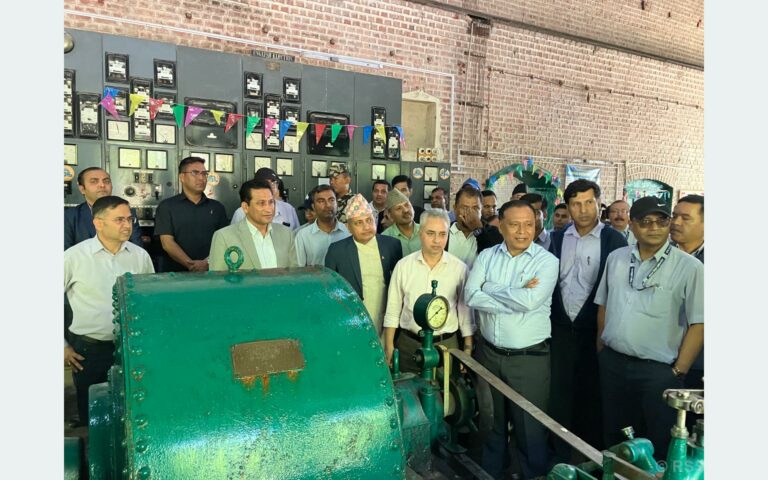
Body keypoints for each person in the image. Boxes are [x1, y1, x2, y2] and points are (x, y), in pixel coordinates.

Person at [595, 196, 704, 458]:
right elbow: (604, 305)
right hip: (613, 364)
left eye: (661, 220)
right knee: (615, 437)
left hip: (658, 373)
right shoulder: (616, 258)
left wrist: (677, 372)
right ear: (632, 224)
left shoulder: (690, 267)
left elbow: (699, 323)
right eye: (645, 221)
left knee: (656, 444)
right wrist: (602, 350)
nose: (654, 227)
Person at [464, 200, 559, 479]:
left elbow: (529, 301)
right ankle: (491, 474)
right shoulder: (487, 256)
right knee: (491, 423)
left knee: (530, 429)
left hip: (528, 360)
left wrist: (490, 288)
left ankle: (533, 475)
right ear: (501, 227)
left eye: (529, 224)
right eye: (515, 225)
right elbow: (470, 295)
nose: (522, 231)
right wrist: (513, 295)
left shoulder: (547, 261)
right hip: (489, 355)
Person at [548, 179, 627, 455]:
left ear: (599, 203)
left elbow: (617, 291)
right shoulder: (557, 239)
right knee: (559, 392)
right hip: (560, 329)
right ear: (568, 207)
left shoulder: (614, 241)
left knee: (592, 394)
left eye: (588, 203)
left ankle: (588, 455)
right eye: (576, 204)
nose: (583, 210)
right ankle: (558, 450)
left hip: (595, 331)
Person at [64, 196, 154, 426]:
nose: (127, 225)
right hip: (90, 351)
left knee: (135, 412)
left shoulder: (139, 256)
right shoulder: (74, 257)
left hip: (132, 348)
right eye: (119, 220)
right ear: (98, 223)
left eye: (129, 219)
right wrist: (62, 346)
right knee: (94, 419)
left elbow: (150, 300)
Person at [383, 209, 474, 373]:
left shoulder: (459, 269)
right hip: (409, 345)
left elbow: (466, 314)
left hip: (446, 346)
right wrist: (389, 346)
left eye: (442, 234)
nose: (437, 240)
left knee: (447, 388)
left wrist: (467, 349)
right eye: (430, 233)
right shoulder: (403, 266)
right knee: (407, 387)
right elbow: (393, 310)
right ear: (420, 233)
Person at [325, 194, 403, 343]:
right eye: (359, 223)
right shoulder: (337, 251)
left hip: (386, 321)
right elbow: (331, 293)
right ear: (348, 227)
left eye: (369, 220)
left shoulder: (392, 245)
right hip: (351, 324)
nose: (366, 227)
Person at [154, 156, 228, 272]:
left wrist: (207, 263)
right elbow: (167, 242)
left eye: (204, 174)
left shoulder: (217, 207)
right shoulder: (167, 206)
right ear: (182, 177)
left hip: (211, 274)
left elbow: (224, 241)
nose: (201, 178)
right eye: (195, 173)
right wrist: (191, 265)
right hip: (176, 275)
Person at [209, 179, 298, 271]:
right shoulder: (224, 237)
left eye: (271, 202)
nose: (269, 209)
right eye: (261, 203)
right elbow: (218, 278)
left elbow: (294, 274)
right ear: (245, 207)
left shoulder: (286, 234)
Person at [670, 194, 704, 391]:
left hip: (698, 365)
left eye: (685, 218)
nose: (676, 222)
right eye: (674, 216)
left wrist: (680, 369)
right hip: (661, 359)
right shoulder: (662, 254)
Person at [65, 167, 142, 250]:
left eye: (106, 181)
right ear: (82, 189)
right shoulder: (69, 216)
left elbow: (136, 249)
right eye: (94, 181)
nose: (102, 185)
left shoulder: (127, 212)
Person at [294, 185, 350, 266]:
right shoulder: (303, 236)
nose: (328, 205)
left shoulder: (348, 232)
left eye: (331, 200)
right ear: (313, 206)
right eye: (321, 201)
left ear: (337, 203)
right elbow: (300, 269)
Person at [230, 168, 300, 230]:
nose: (271, 186)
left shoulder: (288, 209)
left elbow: (295, 235)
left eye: (274, 182)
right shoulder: (241, 213)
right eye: (266, 183)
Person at [382, 189, 422, 256]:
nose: (405, 210)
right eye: (399, 208)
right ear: (390, 215)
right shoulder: (385, 237)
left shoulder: (426, 230)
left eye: (407, 205)